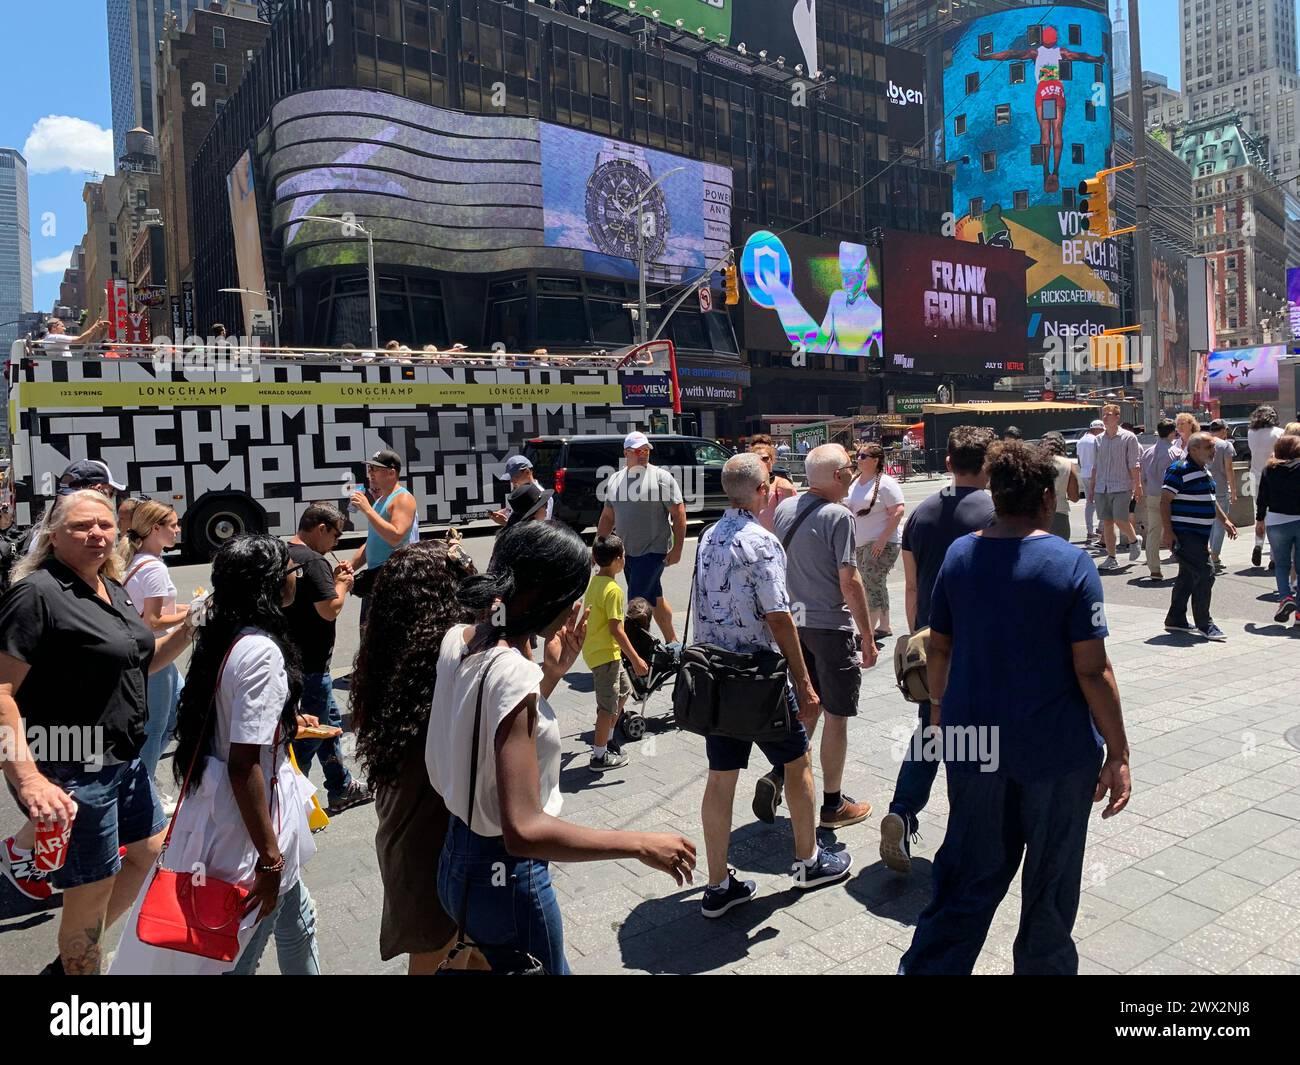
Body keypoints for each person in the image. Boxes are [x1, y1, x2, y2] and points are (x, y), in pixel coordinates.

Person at [900, 442, 1130, 974]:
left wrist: (938, 711)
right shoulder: (1070, 564)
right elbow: (1092, 670)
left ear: (995, 495)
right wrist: (1117, 752)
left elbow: (939, 646)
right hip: (1055, 748)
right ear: (1047, 499)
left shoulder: (960, 556)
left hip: (969, 740)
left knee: (966, 874)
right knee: (1050, 885)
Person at [427, 521, 695, 973]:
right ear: (541, 596)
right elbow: (524, 829)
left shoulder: (460, 638)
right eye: (573, 591)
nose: (577, 603)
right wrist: (639, 843)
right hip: (506, 875)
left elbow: (486, 734)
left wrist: (549, 676)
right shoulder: (512, 673)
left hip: (456, 859)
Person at [0, 491, 193, 970]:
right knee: (88, 901)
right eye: (81, 526)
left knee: (148, 853)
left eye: (105, 526)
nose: (96, 535)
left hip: (122, 761)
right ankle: (78, 977)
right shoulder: (37, 594)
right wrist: (28, 779)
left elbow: (143, 662)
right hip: (72, 767)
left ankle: (69, 961)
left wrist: (195, 627)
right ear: (53, 535)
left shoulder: (112, 587)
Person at [111, 535, 321, 975]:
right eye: (291, 571)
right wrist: (270, 860)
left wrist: (282, 727)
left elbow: (227, 721)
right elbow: (243, 764)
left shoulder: (225, 631)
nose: (296, 578)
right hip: (249, 833)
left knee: (298, 922)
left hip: (230, 818)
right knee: (236, 953)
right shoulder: (262, 650)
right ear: (270, 584)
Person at [695, 454, 853, 919]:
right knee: (797, 762)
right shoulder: (761, 542)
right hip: (759, 677)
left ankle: (718, 884)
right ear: (762, 490)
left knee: (721, 777)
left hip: (716, 675)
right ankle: (807, 862)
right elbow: (780, 619)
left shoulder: (708, 537)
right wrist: (804, 681)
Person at [350, 539, 478, 974]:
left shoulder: (388, 661)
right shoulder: (450, 667)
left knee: (461, 947)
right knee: (440, 948)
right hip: (434, 840)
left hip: (407, 834)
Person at [882, 426, 995, 875]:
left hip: (931, 641)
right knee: (979, 740)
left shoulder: (921, 515)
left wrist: (917, 637)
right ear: (988, 463)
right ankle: (969, 834)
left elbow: (910, 586)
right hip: (981, 643)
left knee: (932, 728)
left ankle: (904, 810)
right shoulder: (998, 512)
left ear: (947, 462)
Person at [766, 444, 878, 831]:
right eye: (849, 467)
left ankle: (780, 774)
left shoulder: (784, 508)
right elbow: (850, 581)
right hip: (830, 627)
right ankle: (832, 805)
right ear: (835, 476)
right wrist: (867, 635)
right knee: (837, 715)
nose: (853, 472)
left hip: (794, 626)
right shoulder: (839, 515)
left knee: (805, 704)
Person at [286, 502, 370, 814]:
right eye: (335, 535)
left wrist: (332, 581)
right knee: (308, 737)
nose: (336, 543)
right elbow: (329, 609)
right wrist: (343, 585)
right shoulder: (313, 560)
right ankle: (292, 798)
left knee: (329, 723)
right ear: (321, 529)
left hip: (293, 657)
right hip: (311, 663)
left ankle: (341, 785)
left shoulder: (286, 552)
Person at [118, 501, 190, 811]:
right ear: (155, 529)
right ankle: (141, 789)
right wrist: (194, 616)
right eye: (173, 524)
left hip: (152, 654)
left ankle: (141, 781)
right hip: (156, 655)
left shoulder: (139, 560)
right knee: (157, 726)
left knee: (175, 716)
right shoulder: (155, 567)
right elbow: (152, 621)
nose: (178, 529)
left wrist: (190, 609)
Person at [979, 26, 1105, 194]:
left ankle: (1046, 171)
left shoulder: (1035, 53)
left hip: (1044, 93)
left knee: (1045, 133)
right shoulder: (1062, 52)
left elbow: (1010, 54)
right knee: (1057, 130)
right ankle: (1057, 171)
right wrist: (1098, 58)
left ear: (1042, 40)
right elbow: (1082, 57)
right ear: (1055, 39)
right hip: (1056, 91)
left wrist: (987, 57)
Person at [596, 432, 687, 644]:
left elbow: (679, 514)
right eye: (638, 451)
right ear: (626, 453)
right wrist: (599, 549)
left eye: (646, 450)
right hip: (626, 554)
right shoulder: (616, 480)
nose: (643, 455)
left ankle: (636, 654)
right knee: (655, 599)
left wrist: (678, 549)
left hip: (653, 552)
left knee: (636, 604)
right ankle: (673, 643)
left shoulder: (661, 478)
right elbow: (608, 516)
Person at [1161, 432, 1237, 642]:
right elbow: (1165, 501)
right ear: (1193, 449)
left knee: (1187, 575)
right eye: (1209, 447)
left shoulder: (1204, 471)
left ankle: (1175, 618)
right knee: (1206, 573)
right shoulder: (1179, 469)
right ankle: (1205, 624)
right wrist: (1168, 532)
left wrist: (1225, 520)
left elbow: (1210, 500)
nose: (1213, 451)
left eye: (1213, 447)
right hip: (1186, 534)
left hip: (1200, 534)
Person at [581, 535, 647, 772]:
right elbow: (616, 629)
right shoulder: (613, 590)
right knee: (606, 707)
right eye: (624, 555)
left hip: (601, 651)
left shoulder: (596, 582)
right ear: (618, 559)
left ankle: (608, 739)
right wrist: (636, 658)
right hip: (605, 653)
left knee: (624, 691)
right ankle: (599, 757)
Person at [349, 449, 419, 627]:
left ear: (391, 472)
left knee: (386, 637)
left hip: (393, 579)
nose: (370, 473)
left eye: (375, 469)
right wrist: (351, 566)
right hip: (376, 578)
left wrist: (367, 509)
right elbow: (372, 541)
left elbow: (396, 536)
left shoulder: (402, 498)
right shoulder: (381, 499)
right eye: (370, 469)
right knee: (368, 636)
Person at [847, 442, 906, 638]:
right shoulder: (855, 481)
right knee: (875, 582)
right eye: (858, 455)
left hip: (883, 543)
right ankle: (885, 626)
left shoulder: (886, 483)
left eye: (863, 456)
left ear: (876, 460)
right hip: (861, 542)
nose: (859, 459)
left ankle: (868, 632)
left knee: (871, 582)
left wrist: (881, 540)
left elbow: (898, 511)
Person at [1089, 404, 1143, 571]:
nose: (1105, 417)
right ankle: (1111, 557)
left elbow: (1134, 463)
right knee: (1107, 523)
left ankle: (1134, 540)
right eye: (1103, 414)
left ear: (1117, 417)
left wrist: (1138, 485)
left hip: (1121, 485)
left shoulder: (1129, 437)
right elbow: (1095, 466)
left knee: (1120, 519)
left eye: (1109, 414)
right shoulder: (1098, 440)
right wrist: (1091, 488)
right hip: (1102, 487)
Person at [1255, 433, 1300, 625]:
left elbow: (1262, 498)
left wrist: (1259, 521)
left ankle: (1285, 598)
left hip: (1276, 521)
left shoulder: (1269, 469)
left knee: (1281, 564)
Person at [1138, 420, 1177, 580]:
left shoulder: (1148, 452)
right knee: (1177, 529)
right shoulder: (1176, 452)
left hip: (1152, 495)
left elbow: (1143, 477)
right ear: (1171, 433)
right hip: (1171, 496)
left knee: (1153, 531)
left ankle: (1154, 568)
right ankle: (1183, 563)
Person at [1248, 405, 1284, 567]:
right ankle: (1274, 557)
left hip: (1255, 476)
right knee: (1274, 516)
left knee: (1260, 514)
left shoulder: (1251, 433)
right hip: (1274, 477)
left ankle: (1258, 544)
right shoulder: (1279, 433)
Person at [1204, 420, 1239, 574]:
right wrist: (1234, 490)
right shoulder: (1225, 445)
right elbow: (1229, 469)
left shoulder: (1202, 442)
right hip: (1220, 488)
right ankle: (1215, 557)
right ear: (1224, 430)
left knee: (1207, 523)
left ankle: (1206, 554)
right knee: (1220, 524)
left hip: (1203, 488)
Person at [748, 435, 798, 532]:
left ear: (772, 460)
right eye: (756, 459)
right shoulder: (745, 485)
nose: (761, 462)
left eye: (765, 458)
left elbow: (788, 521)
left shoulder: (783, 486)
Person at [490, 455, 553, 525]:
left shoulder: (543, 495)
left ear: (527, 472)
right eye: (511, 477)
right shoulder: (519, 492)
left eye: (516, 476)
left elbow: (540, 528)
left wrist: (506, 523)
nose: (512, 481)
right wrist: (508, 513)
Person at [1042, 432, 1078, 540]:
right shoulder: (1068, 464)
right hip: (1060, 513)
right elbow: (1074, 497)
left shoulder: (1038, 462)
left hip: (1039, 513)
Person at [1075, 420, 1104, 543]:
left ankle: (1090, 531)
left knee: (1089, 503)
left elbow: (1079, 460)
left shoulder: (1080, 441)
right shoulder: (1097, 440)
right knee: (1102, 502)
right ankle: (1101, 530)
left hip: (1084, 474)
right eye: (1102, 430)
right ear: (1097, 429)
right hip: (1096, 474)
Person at [38, 317, 109, 355]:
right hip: (64, 367)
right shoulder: (54, 337)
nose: (64, 327)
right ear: (54, 327)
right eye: (61, 325)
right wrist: (96, 326)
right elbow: (80, 339)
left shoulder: (49, 338)